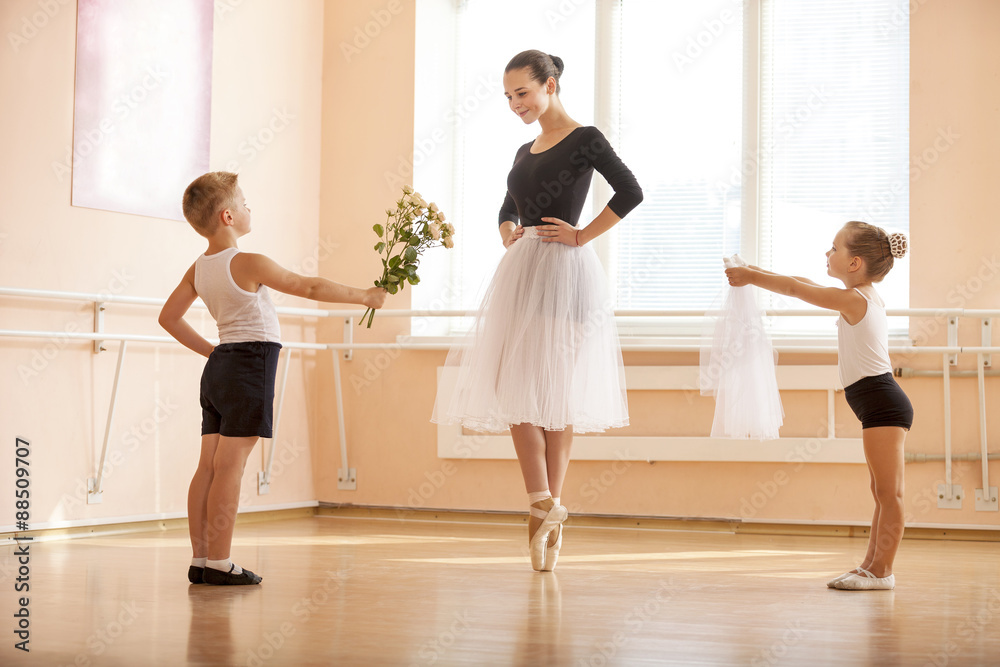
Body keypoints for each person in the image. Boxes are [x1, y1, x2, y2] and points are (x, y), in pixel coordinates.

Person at [433, 50, 643, 571]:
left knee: (552, 394)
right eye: (508, 97)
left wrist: (582, 235)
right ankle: (545, 506)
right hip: (524, 271)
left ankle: (543, 508)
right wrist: (509, 231)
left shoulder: (585, 138)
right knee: (517, 388)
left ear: (550, 85)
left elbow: (630, 191)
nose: (514, 104)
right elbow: (509, 208)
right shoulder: (523, 150)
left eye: (522, 93)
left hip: (565, 276)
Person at [159, 172, 386, 585]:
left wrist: (213, 353)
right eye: (244, 203)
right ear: (228, 216)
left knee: (208, 466)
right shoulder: (249, 262)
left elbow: (168, 318)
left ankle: (201, 558)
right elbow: (308, 287)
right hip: (250, 364)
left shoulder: (199, 268)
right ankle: (220, 562)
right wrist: (365, 296)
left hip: (220, 368)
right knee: (230, 466)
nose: (249, 208)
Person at [725, 221, 911, 590]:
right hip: (876, 402)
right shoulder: (860, 295)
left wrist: (750, 277)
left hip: (883, 404)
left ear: (854, 263)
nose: (827, 253)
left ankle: (882, 571)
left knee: (890, 494)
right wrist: (753, 270)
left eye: (834, 248)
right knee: (881, 492)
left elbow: (796, 289)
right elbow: (800, 281)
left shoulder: (856, 299)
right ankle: (870, 566)